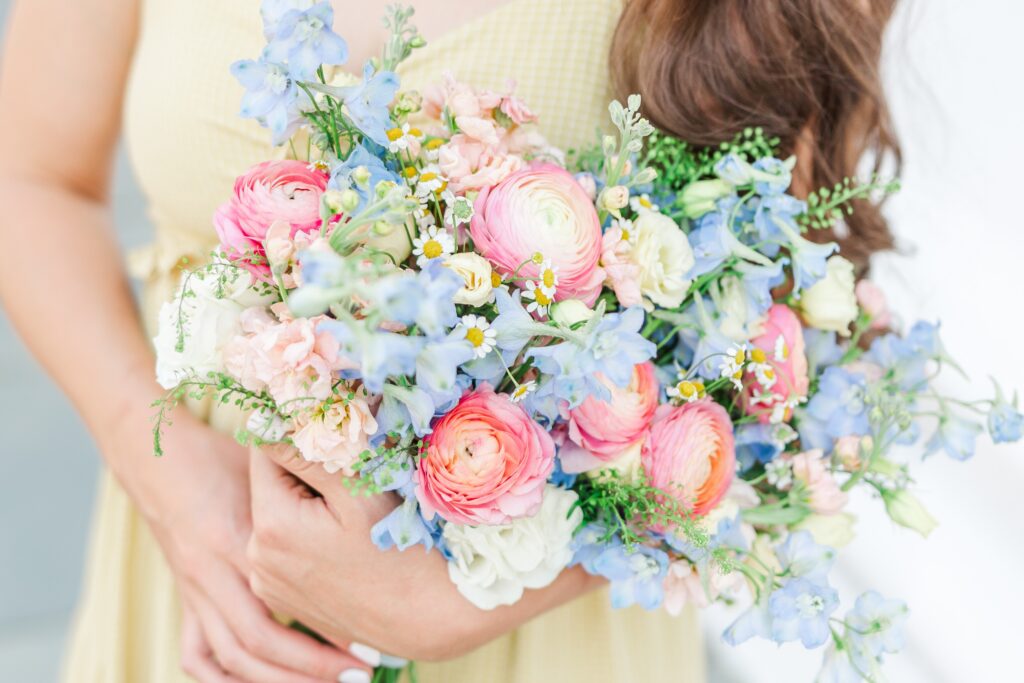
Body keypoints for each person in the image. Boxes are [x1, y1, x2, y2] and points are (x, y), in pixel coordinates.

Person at [0, 0, 899, 681]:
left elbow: (804, 330)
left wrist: (496, 588)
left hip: (551, 634)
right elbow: (32, 181)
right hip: (215, 592)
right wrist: (168, 477)